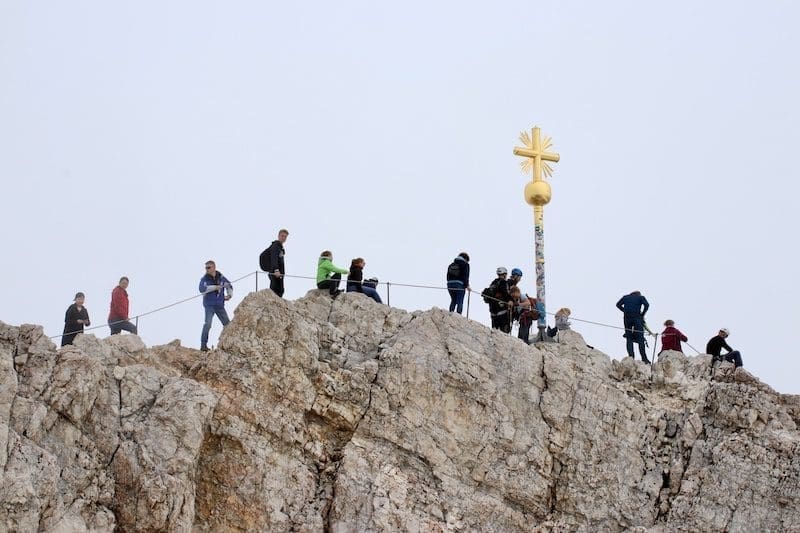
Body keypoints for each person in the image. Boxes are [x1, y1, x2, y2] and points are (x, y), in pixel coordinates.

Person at [199, 260, 233, 352]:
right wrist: (214, 287)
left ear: (214, 267)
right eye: (206, 268)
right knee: (208, 324)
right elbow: (202, 289)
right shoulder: (204, 279)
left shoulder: (221, 277)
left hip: (219, 305)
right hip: (209, 305)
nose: (207, 269)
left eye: (209, 267)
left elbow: (229, 285)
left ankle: (228, 344)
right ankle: (203, 346)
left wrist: (229, 295)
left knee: (227, 324)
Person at [616, 290, 650, 363]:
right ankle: (644, 358)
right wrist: (642, 314)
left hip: (627, 318)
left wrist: (624, 310)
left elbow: (618, 305)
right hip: (637, 318)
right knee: (640, 338)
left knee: (629, 337)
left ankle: (631, 357)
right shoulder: (640, 297)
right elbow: (647, 305)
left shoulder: (625, 297)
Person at [259, 229, 289, 297]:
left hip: (279, 273)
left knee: (280, 289)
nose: (284, 238)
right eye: (282, 236)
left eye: (285, 236)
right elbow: (274, 258)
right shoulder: (275, 246)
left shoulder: (281, 248)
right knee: (275, 288)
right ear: (278, 236)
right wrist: (276, 270)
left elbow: (281, 262)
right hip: (275, 272)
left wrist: (282, 273)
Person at [483, 267, 512, 333]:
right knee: (504, 327)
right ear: (504, 274)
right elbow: (505, 293)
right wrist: (511, 300)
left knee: (495, 327)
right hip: (501, 307)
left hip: (492, 308)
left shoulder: (493, 283)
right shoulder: (503, 282)